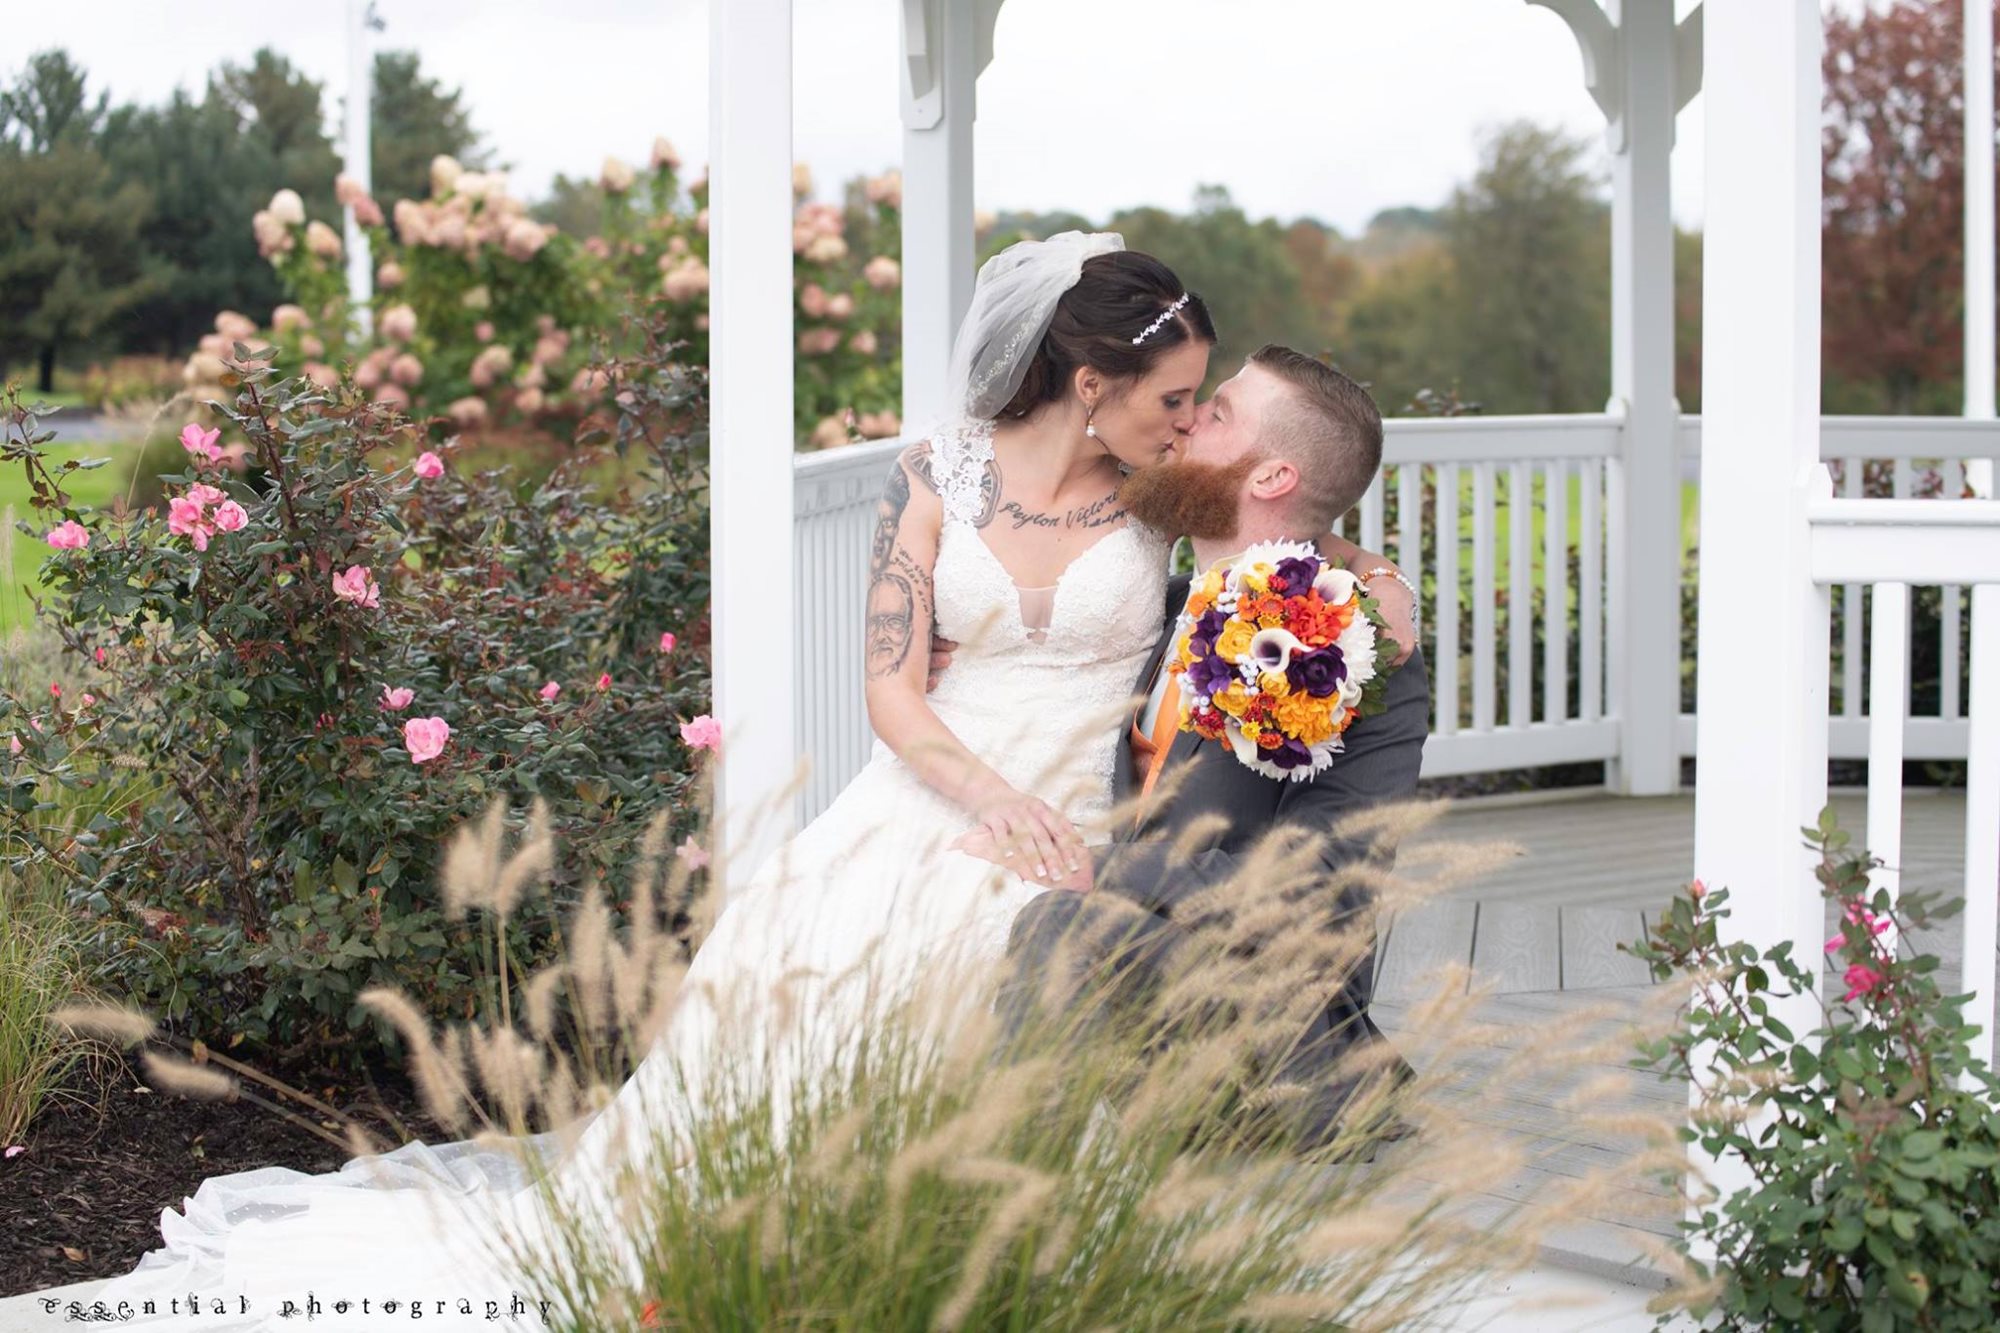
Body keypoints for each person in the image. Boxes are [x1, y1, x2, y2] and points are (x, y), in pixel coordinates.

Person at [90, 234, 1419, 1330]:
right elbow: (891, 687)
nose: (1188, 419)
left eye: (1203, 402)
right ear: (1089, 381)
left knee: (969, 963)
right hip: (942, 775)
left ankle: (928, 1257)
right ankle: (725, 1247)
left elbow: (1273, 519)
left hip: (1073, 802)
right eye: (1173, 394)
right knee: (797, 940)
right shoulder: (937, 477)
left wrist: (1353, 566)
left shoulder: (1156, 490)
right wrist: (980, 792)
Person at [945, 346, 1430, 1157]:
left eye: (1220, 411)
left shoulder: (1356, 656)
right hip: (1118, 993)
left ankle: (996, 1218)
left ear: (1271, 477)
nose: (1188, 415)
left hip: (1266, 1034)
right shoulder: (1154, 611)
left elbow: (1317, 885)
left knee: (1066, 926)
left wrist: (1100, 870)